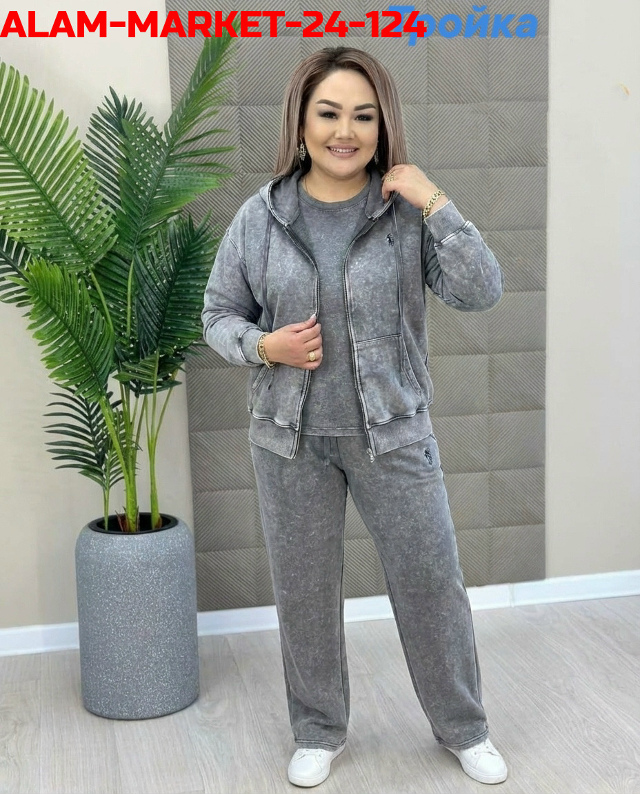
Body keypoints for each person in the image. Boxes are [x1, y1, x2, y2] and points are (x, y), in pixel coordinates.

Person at [202, 46, 508, 789]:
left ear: (382, 125)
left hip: (394, 433)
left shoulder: (404, 212)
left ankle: (465, 729)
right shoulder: (260, 217)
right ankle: (317, 731)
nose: (346, 131)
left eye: (363, 116)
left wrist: (435, 201)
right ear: (302, 121)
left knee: (432, 585)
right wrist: (264, 346)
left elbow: (481, 290)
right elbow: (217, 315)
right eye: (330, 113)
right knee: (305, 593)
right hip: (289, 440)